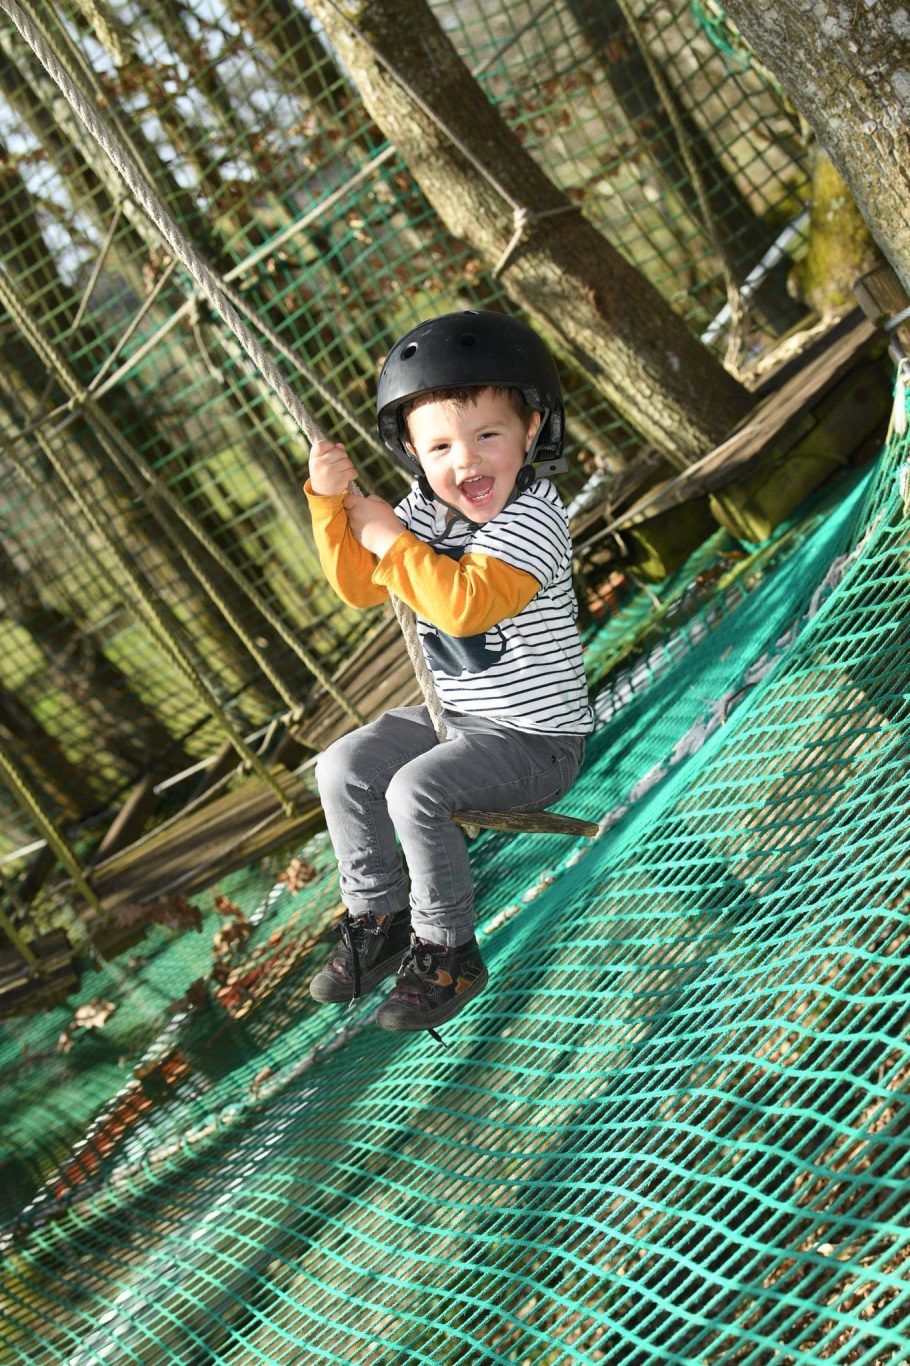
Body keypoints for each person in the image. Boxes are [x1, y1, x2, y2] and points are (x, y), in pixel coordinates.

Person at [304, 309, 593, 1034]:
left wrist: (391, 539)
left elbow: (464, 607)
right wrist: (331, 511)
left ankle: (447, 948)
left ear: (531, 430)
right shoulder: (428, 512)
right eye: (438, 447)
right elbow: (366, 586)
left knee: (415, 790)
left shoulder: (532, 516)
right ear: (412, 453)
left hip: (533, 741)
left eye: (486, 436)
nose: (464, 462)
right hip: (459, 722)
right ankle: (379, 918)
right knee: (340, 766)